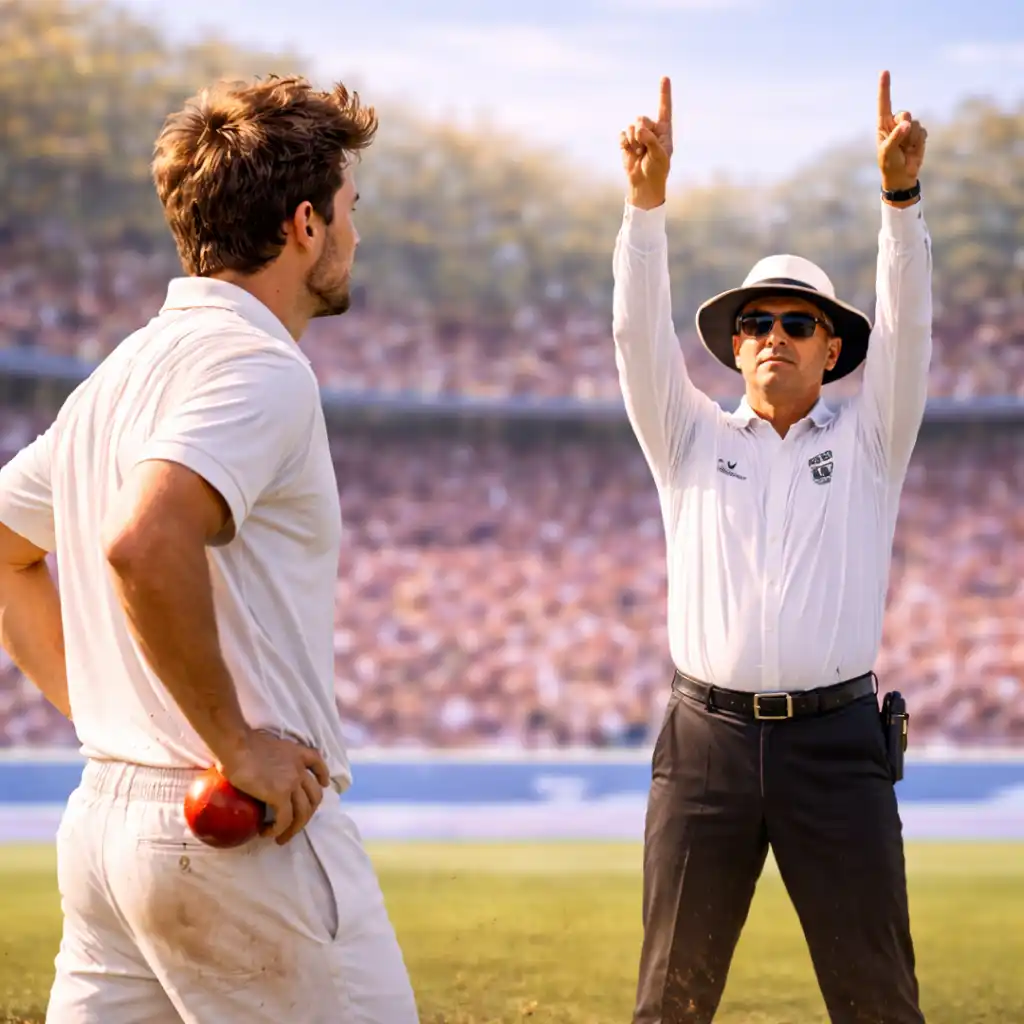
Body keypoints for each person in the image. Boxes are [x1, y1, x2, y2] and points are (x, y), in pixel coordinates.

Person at [0, 75, 419, 1024]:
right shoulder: (263, 367)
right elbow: (144, 539)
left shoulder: (117, 374)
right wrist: (227, 741)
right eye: (353, 210)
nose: (358, 234)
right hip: (242, 843)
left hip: (109, 825)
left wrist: (119, 719)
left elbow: (4, 549)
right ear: (306, 224)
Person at [613, 72, 932, 1023]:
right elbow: (635, 340)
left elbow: (910, 332)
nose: (773, 338)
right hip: (704, 746)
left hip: (838, 747)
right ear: (734, 347)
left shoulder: (872, 441)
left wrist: (901, 205)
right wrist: (644, 208)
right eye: (756, 323)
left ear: (832, 348)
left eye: (798, 323)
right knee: (669, 1004)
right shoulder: (690, 439)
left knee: (879, 1003)